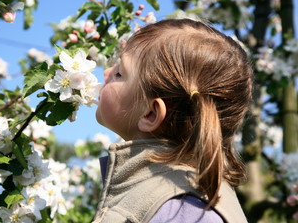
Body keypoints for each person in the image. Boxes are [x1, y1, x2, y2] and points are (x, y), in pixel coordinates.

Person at [93, 18, 252, 223]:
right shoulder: (167, 194)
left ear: (150, 114)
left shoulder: (182, 210)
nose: (106, 72)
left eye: (119, 73)